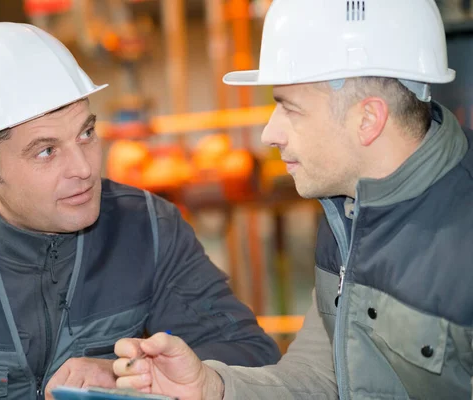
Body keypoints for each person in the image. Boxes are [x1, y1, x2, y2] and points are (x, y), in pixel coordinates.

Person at [0, 22, 281, 400]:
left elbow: (252, 357)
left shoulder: (150, 230)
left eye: (86, 134)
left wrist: (122, 374)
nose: (84, 169)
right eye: (47, 151)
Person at [112, 0, 473, 399]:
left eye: (290, 109)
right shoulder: (349, 213)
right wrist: (212, 387)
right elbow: (321, 377)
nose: (269, 133)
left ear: (368, 119)